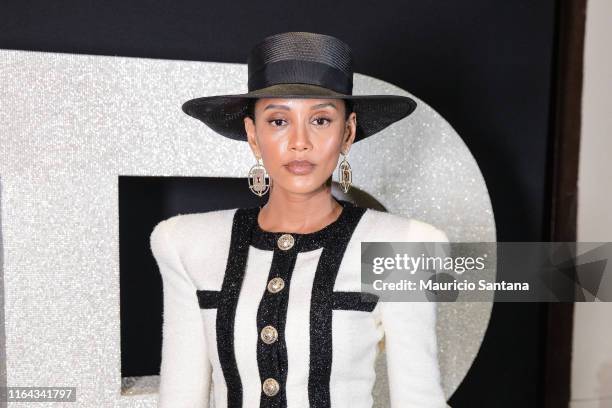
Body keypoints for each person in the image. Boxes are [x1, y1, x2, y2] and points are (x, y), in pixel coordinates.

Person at [150, 31, 449, 408]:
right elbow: (179, 399)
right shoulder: (187, 244)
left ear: (348, 133)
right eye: (278, 121)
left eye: (321, 120)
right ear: (253, 135)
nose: (299, 142)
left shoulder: (405, 246)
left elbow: (419, 401)